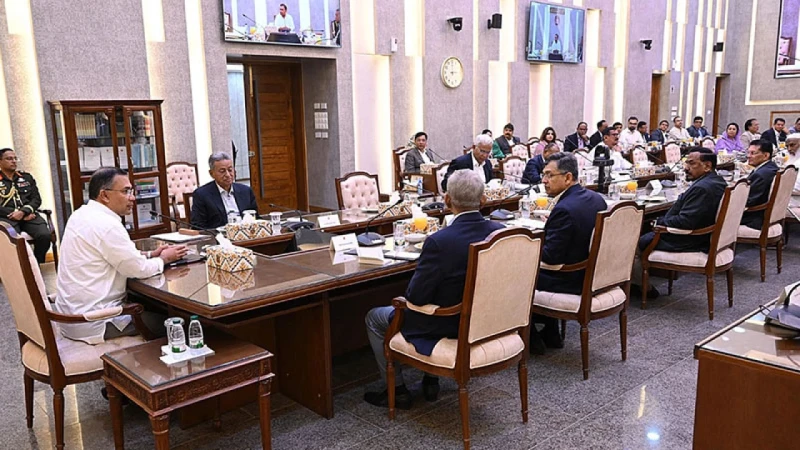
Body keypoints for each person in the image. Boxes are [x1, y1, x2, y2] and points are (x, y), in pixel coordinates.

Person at [363, 170, 504, 408]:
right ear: (483, 200)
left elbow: (415, 298)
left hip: (448, 323)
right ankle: (430, 381)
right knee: (442, 294)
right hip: (486, 320)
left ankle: (397, 390)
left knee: (374, 317)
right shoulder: (500, 232)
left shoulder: (440, 241)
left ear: (447, 200)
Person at [55, 167, 187, 344]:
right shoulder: (107, 225)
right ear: (104, 195)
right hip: (95, 320)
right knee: (180, 322)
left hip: (72, 317)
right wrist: (165, 259)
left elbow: (111, 256)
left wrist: (149, 254)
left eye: (131, 191)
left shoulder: (81, 214)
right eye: (126, 191)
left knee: (156, 307)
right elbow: (138, 270)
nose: (132, 198)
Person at [531, 152, 607, 354]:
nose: (544, 180)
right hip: (593, 274)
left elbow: (550, 257)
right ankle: (551, 332)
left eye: (549, 175)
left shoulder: (564, 208)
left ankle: (530, 336)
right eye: (543, 175)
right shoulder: (596, 198)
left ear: (567, 178)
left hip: (571, 279)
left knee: (516, 273)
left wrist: (527, 248)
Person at [638, 148, 727, 254]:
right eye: (686, 163)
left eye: (692, 163)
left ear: (707, 166)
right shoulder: (717, 180)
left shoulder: (701, 188)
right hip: (701, 234)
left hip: (689, 240)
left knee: (638, 240)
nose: (686, 168)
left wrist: (658, 221)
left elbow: (685, 222)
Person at [0, 148, 51, 263]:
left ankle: (36, 264)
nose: (14, 161)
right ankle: (18, 267)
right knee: (11, 241)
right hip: (7, 218)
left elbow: (36, 199)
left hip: (29, 216)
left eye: (15, 158)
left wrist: (23, 212)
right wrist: (16, 214)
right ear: (0, 161)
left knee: (44, 235)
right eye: (9, 159)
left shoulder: (26, 177)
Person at [191, 152, 258, 229]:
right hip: (219, 235)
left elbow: (255, 218)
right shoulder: (202, 195)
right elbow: (198, 227)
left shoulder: (246, 191)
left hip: (245, 233)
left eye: (230, 170)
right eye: (222, 171)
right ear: (211, 173)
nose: (228, 175)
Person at [741, 140, 779, 230]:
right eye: (748, 152)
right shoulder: (772, 166)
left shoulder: (760, 175)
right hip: (767, 212)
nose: (748, 156)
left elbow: (748, 201)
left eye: (753, 153)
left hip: (755, 217)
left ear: (766, 155)